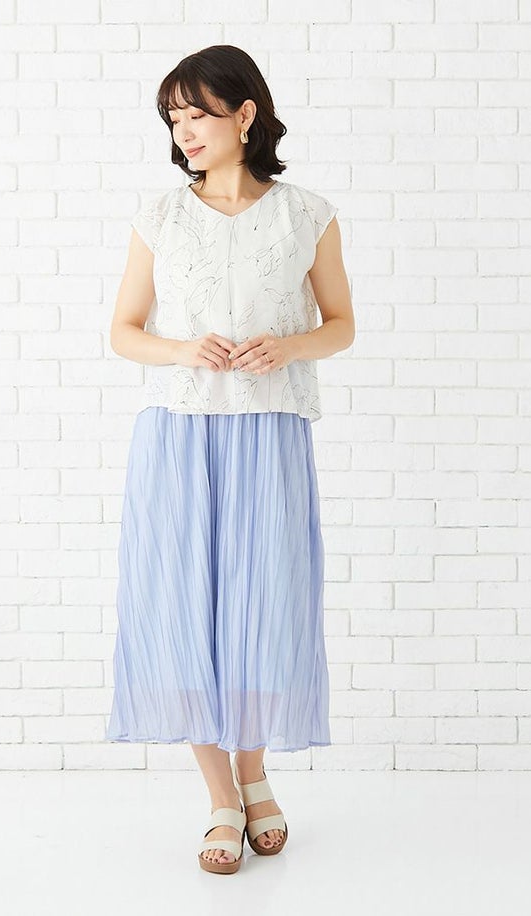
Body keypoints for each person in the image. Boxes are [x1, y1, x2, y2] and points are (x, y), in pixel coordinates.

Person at [105, 44, 354, 875]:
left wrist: (287, 345)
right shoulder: (159, 216)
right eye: (173, 117)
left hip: (269, 432)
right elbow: (124, 331)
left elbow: (341, 324)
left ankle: (255, 776)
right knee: (185, 609)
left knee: (262, 606)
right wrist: (182, 349)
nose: (184, 131)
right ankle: (221, 797)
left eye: (198, 113)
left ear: (245, 115)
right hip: (179, 436)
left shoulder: (307, 214)